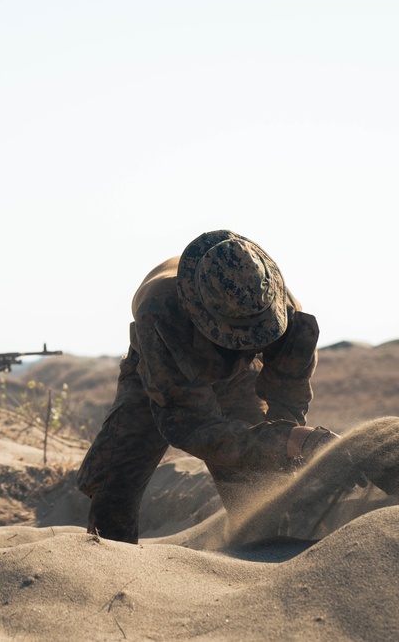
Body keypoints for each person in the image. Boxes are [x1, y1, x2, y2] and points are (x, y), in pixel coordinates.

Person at [76, 230, 339, 543]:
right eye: (236, 330)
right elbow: (192, 427)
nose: (243, 338)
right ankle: (109, 572)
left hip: (241, 375)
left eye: (255, 331)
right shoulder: (160, 312)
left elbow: (288, 400)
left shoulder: (286, 313)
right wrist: (287, 440)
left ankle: (260, 566)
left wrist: (290, 448)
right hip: (162, 370)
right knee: (115, 485)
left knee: (259, 492)